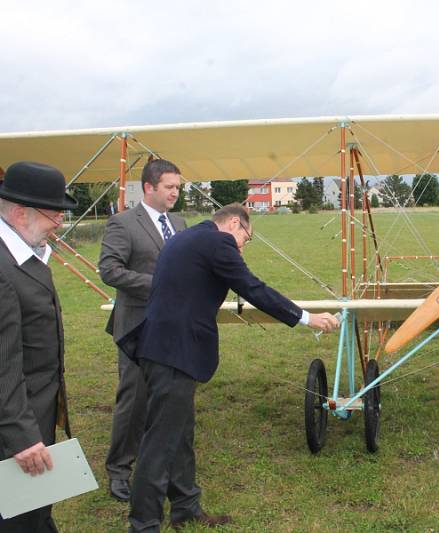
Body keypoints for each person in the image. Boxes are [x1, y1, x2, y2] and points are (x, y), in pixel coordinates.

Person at [119, 203, 338, 531]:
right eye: (246, 239)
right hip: (173, 350)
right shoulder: (218, 242)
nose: (242, 246)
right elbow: (252, 287)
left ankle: (185, 508)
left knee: (181, 432)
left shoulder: (187, 236)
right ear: (235, 223)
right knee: (161, 441)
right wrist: (307, 318)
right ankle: (143, 524)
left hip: (161, 347)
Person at [98, 159, 187, 502]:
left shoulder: (178, 222)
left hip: (173, 327)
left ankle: (161, 467)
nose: (175, 193)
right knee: (134, 400)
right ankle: (119, 470)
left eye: (178, 187)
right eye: (169, 187)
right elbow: (110, 270)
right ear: (149, 188)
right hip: (136, 327)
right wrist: (159, 285)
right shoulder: (122, 223)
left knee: (168, 398)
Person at [0, 161, 77, 532]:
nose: (60, 222)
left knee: (36, 513)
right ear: (19, 212)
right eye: (54, 213)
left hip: (34, 414)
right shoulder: (3, 271)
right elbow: (3, 363)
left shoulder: (25, 256)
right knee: (19, 518)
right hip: (16, 429)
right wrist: (22, 437)